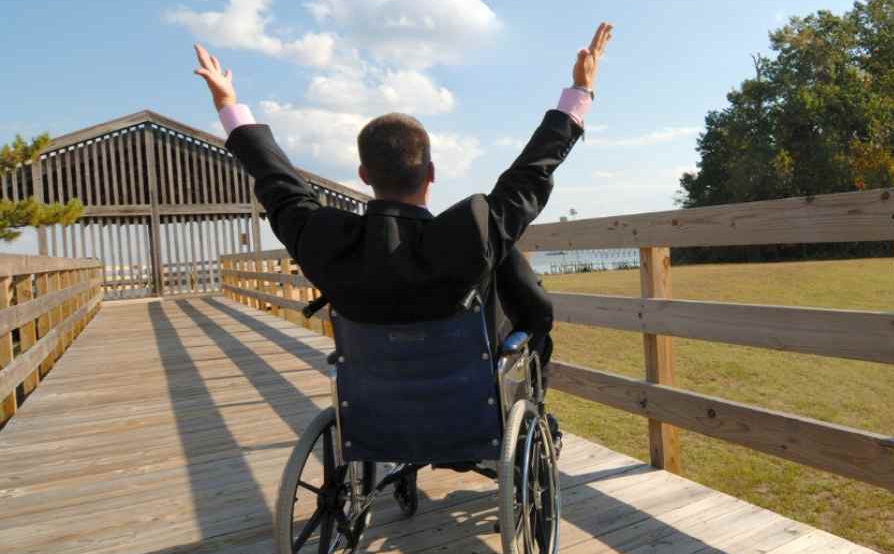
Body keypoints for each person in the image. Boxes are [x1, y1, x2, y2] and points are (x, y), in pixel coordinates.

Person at [191, 22, 613, 376]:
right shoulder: (470, 231)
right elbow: (530, 172)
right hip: (466, 399)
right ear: (431, 173)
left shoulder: (326, 238)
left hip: (374, 407)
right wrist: (580, 92)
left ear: (363, 176)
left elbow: (275, 179)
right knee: (528, 310)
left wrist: (229, 105)